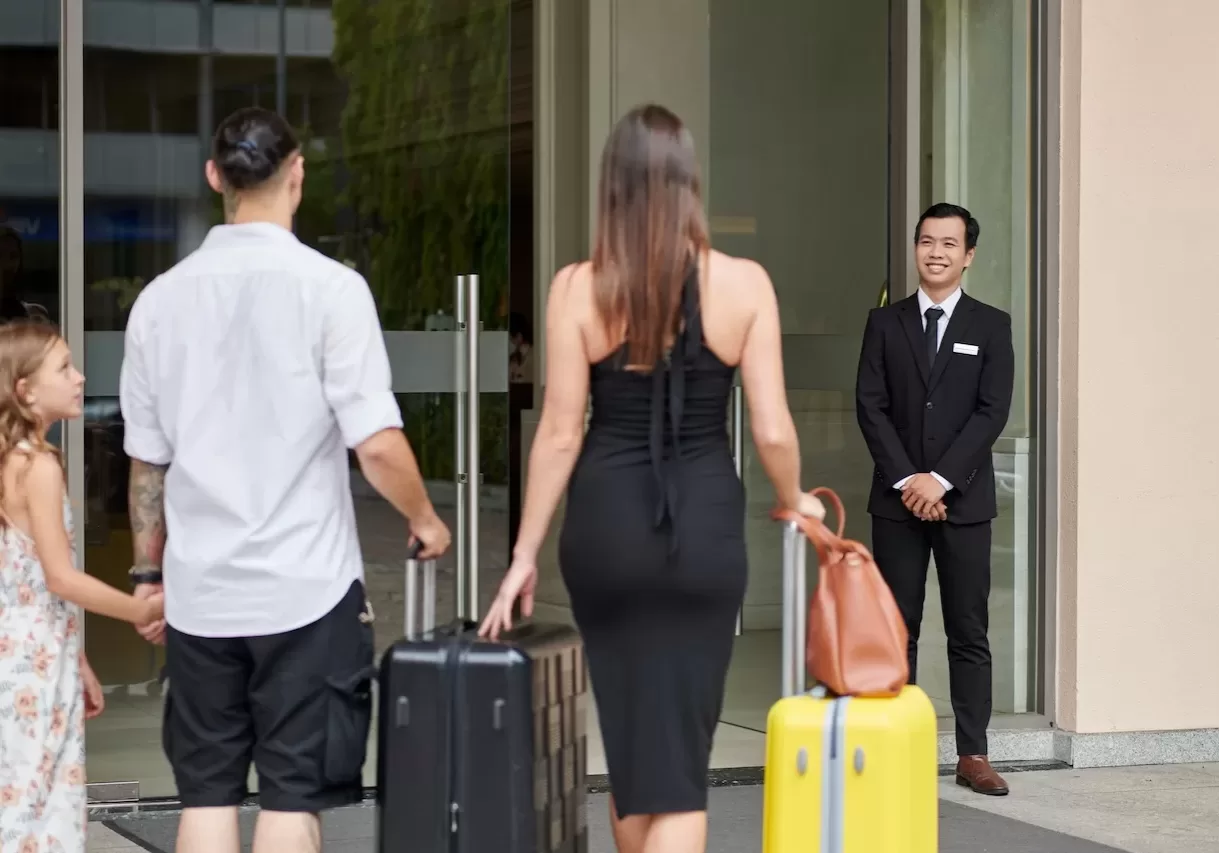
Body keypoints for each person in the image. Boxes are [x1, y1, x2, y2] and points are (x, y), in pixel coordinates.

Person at [479, 104, 824, 853]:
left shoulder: (579, 287)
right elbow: (770, 427)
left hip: (606, 533)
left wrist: (523, 556)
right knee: (675, 763)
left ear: (614, 185)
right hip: (700, 533)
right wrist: (793, 498)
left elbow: (561, 431)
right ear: (688, 182)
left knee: (637, 746)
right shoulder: (744, 285)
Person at [118, 107, 451, 853]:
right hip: (305, 590)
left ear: (214, 179)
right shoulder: (332, 289)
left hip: (202, 593)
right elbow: (376, 440)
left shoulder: (159, 301)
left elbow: (148, 461)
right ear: (296, 174)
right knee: (293, 794)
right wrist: (425, 517)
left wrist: (147, 572)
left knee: (205, 793)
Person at [855, 202, 1015, 796]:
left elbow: (991, 411)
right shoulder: (884, 323)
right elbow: (869, 406)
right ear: (916, 248)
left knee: (968, 629)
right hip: (896, 502)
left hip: (964, 502)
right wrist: (908, 481)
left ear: (968, 255)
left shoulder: (991, 325)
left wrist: (940, 479)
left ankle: (973, 754)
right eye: (927, 241)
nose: (937, 252)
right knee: (896, 629)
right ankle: (896, 750)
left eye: (950, 243)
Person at [0, 321, 165, 852]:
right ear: (25, 391)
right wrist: (140, 611)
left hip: (25, 653)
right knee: (39, 811)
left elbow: (25, 579)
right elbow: (59, 576)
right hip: (35, 663)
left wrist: (79, 658)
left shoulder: (10, 462)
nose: (80, 377)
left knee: (18, 800)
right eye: (64, 367)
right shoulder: (39, 466)